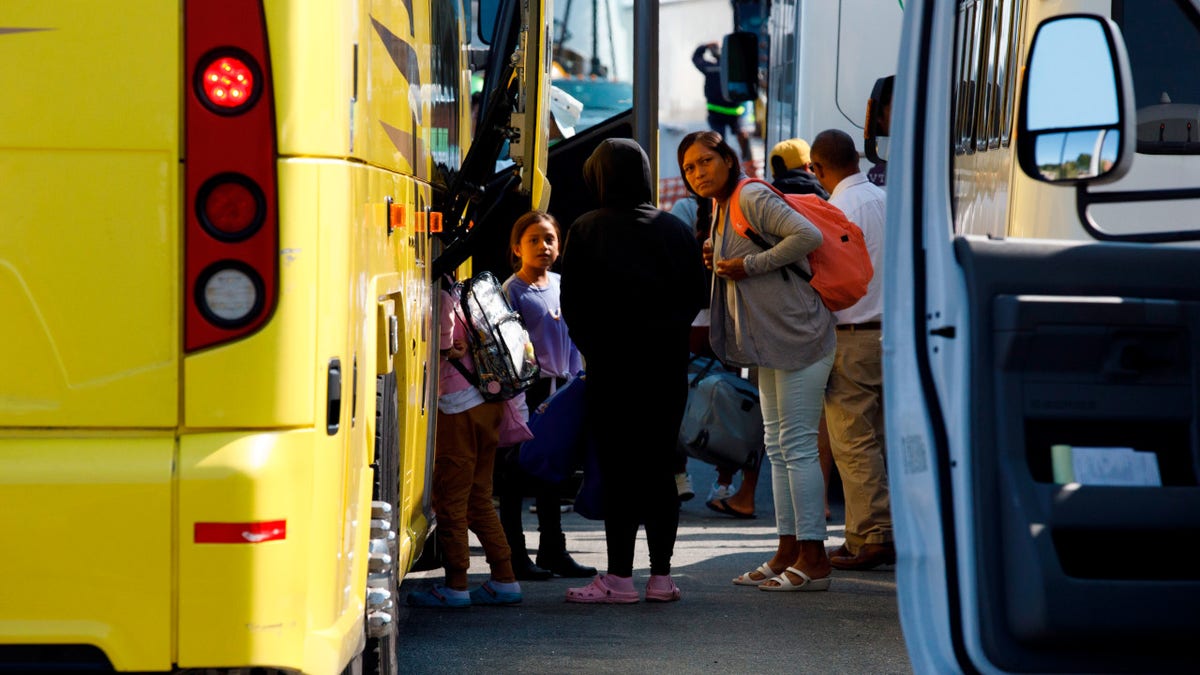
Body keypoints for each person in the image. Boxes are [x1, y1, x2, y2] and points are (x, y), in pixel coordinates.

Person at [677, 129, 836, 592]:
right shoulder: (721, 206)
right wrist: (719, 256)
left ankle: (815, 559)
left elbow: (806, 235)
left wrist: (750, 266)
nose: (697, 173)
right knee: (779, 445)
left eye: (705, 161)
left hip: (800, 336)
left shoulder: (749, 194)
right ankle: (788, 550)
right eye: (689, 168)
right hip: (769, 341)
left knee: (798, 446)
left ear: (727, 159)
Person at [559, 138, 706, 604]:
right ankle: (662, 578)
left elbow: (573, 306)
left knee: (619, 469)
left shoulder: (586, 229)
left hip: (612, 371)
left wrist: (597, 350)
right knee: (662, 469)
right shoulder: (675, 230)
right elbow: (694, 298)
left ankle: (619, 579)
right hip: (665, 370)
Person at [406, 276, 523, 608]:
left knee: (451, 499)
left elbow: (442, 349)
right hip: (488, 403)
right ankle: (504, 577)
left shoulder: (441, 298)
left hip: (457, 407)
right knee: (479, 497)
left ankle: (456, 583)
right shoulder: (463, 292)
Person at [808, 128, 894, 570]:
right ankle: (877, 530)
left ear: (817, 169)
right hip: (892, 334)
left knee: (853, 440)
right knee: (880, 438)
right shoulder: (886, 200)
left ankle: (871, 536)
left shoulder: (833, 211)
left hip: (851, 335)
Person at [495, 210, 597, 581]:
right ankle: (514, 554)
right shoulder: (512, 291)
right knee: (515, 475)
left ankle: (553, 550)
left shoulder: (561, 283)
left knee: (553, 473)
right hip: (527, 392)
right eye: (534, 240)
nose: (543, 246)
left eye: (550, 239)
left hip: (564, 389)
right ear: (516, 247)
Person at [768, 137, 835, 521]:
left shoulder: (770, 198)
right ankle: (810, 531)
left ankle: (799, 545)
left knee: (782, 442)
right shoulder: (824, 198)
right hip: (818, 319)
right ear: (809, 166)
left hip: (780, 324)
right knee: (805, 438)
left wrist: (752, 266)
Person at [693, 42, 755, 166]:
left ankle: (724, 164)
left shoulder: (709, 67)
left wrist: (705, 46)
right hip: (734, 112)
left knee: (719, 141)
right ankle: (749, 162)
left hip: (716, 113)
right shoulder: (735, 67)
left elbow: (696, 58)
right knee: (742, 135)